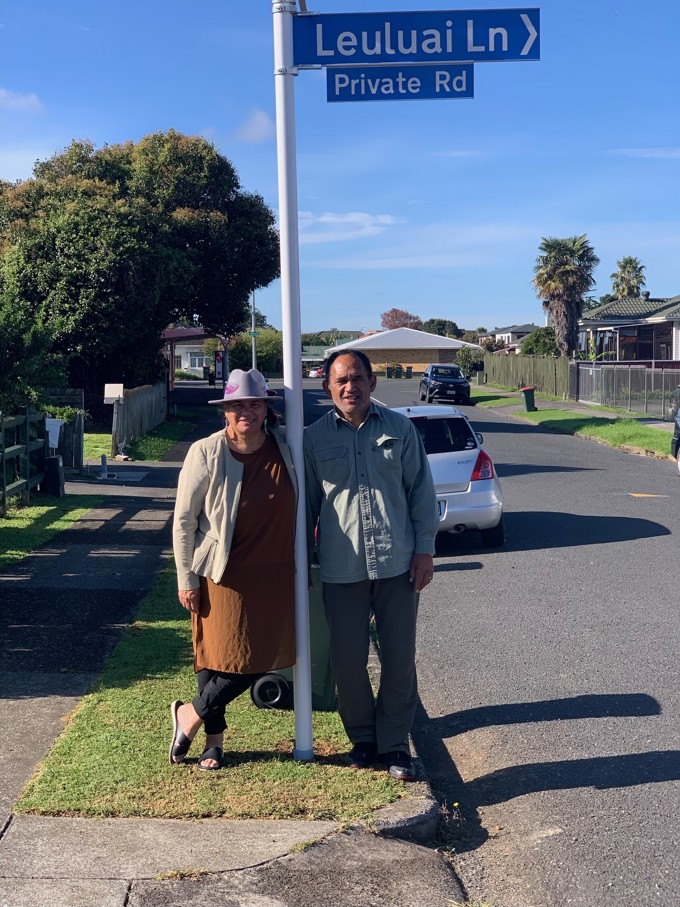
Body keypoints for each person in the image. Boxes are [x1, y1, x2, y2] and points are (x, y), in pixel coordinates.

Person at [304, 350, 438, 781]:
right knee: (347, 662)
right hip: (341, 569)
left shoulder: (400, 429)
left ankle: (395, 744)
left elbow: (420, 492)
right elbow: (306, 506)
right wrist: (302, 560)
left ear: (372, 382)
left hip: (398, 564)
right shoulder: (313, 439)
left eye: (358, 378)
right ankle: (363, 738)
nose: (350, 387)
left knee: (400, 659)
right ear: (327, 385)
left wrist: (424, 551)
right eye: (341, 380)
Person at [170, 368, 297, 770]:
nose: (246, 410)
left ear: (266, 408)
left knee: (257, 658)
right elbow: (184, 520)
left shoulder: (286, 447)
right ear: (225, 410)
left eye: (254, 403)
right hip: (221, 572)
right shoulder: (205, 452)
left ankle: (188, 714)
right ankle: (214, 742)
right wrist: (186, 577)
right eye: (237, 404)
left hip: (275, 573)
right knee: (217, 655)